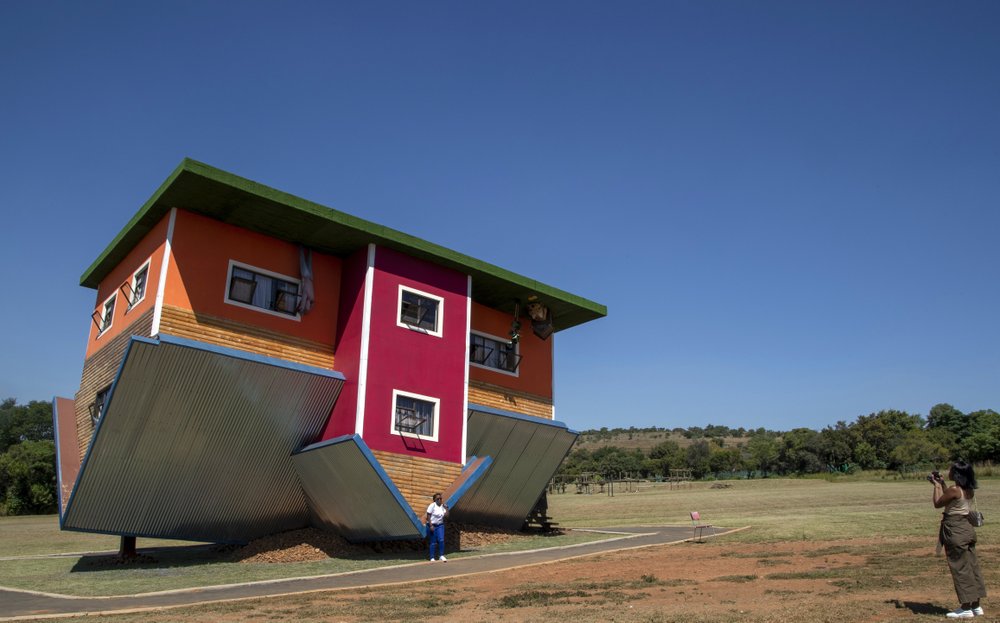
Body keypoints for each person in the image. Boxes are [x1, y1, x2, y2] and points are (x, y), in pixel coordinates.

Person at [931, 462, 987, 618]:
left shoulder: (955, 490)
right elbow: (949, 497)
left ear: (957, 474)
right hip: (967, 529)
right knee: (972, 567)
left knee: (960, 568)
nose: (949, 472)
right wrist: (942, 483)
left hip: (955, 530)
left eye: (951, 470)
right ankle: (976, 606)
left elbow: (938, 503)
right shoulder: (967, 490)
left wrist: (936, 486)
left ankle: (965, 608)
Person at [425, 492, 448, 562]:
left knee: (441, 540)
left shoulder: (442, 507)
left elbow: (447, 516)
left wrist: (446, 508)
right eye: (438, 499)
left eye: (440, 498)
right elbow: (428, 515)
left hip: (440, 525)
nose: (440, 500)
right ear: (434, 500)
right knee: (433, 542)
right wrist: (431, 525)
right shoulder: (432, 505)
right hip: (432, 525)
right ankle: (432, 557)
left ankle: (441, 555)